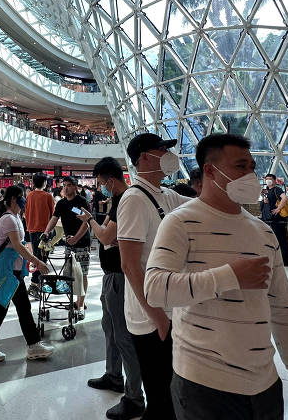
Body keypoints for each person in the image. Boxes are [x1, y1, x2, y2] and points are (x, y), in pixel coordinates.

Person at [144, 133, 288, 420]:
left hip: (265, 384)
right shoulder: (178, 222)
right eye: (241, 166)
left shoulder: (263, 232)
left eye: (252, 167)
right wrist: (230, 276)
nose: (250, 175)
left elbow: (283, 310)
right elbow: (155, 288)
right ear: (210, 170)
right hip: (203, 386)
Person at [116, 133, 190, 420]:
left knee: (172, 392)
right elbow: (129, 265)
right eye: (162, 150)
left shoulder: (166, 194)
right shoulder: (134, 199)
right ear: (145, 157)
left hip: (170, 309)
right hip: (150, 317)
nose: (167, 154)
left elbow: (203, 203)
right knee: (160, 397)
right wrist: (157, 315)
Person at [79, 157, 145, 420]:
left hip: (119, 276)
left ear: (110, 180)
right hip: (111, 276)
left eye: (101, 182)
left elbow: (106, 236)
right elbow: (108, 231)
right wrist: (99, 225)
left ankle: (134, 396)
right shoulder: (118, 201)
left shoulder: (126, 200)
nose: (100, 187)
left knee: (123, 335)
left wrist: (89, 222)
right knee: (109, 328)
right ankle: (114, 375)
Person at [0, 185, 54, 363]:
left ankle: (32, 345)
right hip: (8, 270)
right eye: (21, 197)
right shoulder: (9, 220)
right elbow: (17, 246)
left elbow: (20, 244)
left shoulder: (15, 217)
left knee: (17, 307)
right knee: (1, 308)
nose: (24, 199)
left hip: (14, 270)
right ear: (13, 199)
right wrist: (37, 262)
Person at [42, 176, 90, 318]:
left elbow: (86, 223)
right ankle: (74, 300)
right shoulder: (62, 204)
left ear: (75, 187)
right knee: (69, 275)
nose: (66, 188)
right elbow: (54, 218)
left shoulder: (81, 203)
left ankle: (80, 305)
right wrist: (46, 232)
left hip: (81, 243)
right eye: (64, 185)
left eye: (69, 185)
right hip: (69, 243)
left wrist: (76, 238)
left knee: (82, 274)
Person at [24, 173, 54, 297]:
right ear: (45, 182)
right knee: (41, 258)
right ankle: (34, 284)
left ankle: (37, 283)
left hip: (32, 229)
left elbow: (25, 213)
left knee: (37, 257)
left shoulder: (29, 196)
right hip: (44, 231)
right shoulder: (48, 196)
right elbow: (53, 214)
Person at [263, 173, 288, 266]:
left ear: (275, 180)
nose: (268, 180)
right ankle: (278, 258)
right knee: (274, 239)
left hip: (277, 218)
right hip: (270, 218)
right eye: (266, 179)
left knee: (281, 238)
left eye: (270, 179)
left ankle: (285, 259)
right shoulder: (267, 190)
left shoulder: (277, 189)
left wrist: (278, 208)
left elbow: (285, 198)